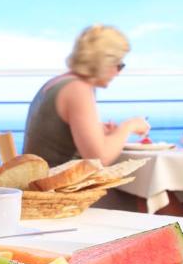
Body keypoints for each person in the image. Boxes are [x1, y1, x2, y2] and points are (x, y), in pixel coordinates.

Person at [23, 25, 150, 167]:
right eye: (119, 65)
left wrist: (96, 130)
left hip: (37, 177)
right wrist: (128, 126)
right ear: (104, 62)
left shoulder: (57, 83)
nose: (118, 72)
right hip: (56, 180)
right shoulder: (78, 89)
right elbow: (99, 158)